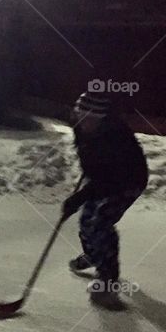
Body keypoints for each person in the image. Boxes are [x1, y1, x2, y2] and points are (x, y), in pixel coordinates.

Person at [61, 91, 148, 309]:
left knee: (100, 222)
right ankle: (93, 255)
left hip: (128, 181)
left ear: (101, 119)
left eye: (90, 119)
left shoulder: (115, 138)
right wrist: (88, 176)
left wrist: (79, 197)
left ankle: (107, 280)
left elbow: (109, 179)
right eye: (81, 116)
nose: (84, 123)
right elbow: (91, 163)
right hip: (102, 179)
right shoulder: (81, 127)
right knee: (86, 220)